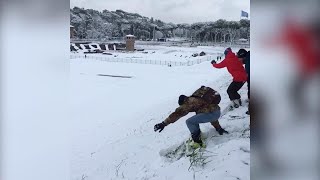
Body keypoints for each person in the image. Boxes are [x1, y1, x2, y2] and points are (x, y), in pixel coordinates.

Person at [154, 86, 228, 149]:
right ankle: (201, 137)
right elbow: (209, 113)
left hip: (213, 114)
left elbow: (177, 113)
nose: (183, 107)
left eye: (182, 105)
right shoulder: (196, 100)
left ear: (183, 102)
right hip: (216, 112)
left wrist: (163, 123)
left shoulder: (189, 102)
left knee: (189, 122)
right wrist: (218, 128)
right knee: (198, 117)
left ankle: (198, 142)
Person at [237, 49, 250, 114]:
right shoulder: (249, 57)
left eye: (240, 59)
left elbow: (248, 73)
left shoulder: (248, 61)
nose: (240, 61)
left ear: (243, 56)